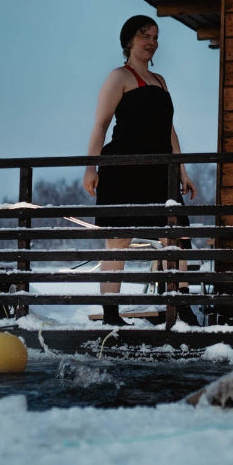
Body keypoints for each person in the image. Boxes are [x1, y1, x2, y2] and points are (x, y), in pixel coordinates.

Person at [83, 16, 196, 327]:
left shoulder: (161, 81)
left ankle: (182, 308)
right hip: (123, 168)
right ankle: (110, 314)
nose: (151, 41)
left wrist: (182, 170)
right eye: (144, 35)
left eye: (155, 36)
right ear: (129, 42)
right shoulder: (119, 76)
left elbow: (169, 131)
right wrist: (90, 168)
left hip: (160, 170)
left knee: (175, 236)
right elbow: (100, 125)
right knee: (119, 240)